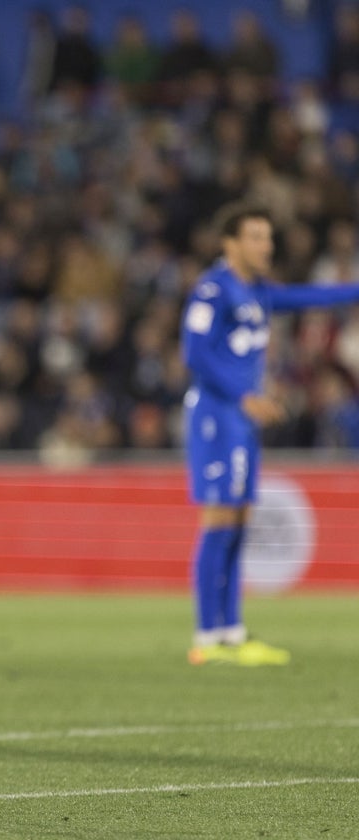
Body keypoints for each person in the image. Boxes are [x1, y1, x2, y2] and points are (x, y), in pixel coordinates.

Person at [181, 202, 359, 667]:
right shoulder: (212, 289)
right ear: (230, 244)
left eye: (269, 237)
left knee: (239, 522)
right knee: (218, 521)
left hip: (241, 419)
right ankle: (207, 636)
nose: (268, 245)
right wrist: (244, 394)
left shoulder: (257, 291)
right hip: (217, 415)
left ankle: (232, 632)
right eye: (256, 237)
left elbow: (311, 297)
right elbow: (195, 353)